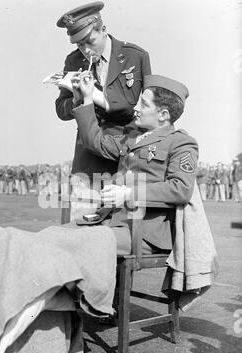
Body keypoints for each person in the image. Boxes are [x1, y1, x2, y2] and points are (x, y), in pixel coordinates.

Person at [70, 72, 199, 255]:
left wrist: (128, 193)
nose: (136, 109)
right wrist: (87, 99)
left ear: (163, 115)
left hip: (142, 233)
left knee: (74, 243)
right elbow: (94, 142)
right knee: (55, 234)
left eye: (144, 105)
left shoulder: (181, 143)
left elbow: (181, 188)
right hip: (110, 223)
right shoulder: (132, 138)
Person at [56, 1, 151, 218]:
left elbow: (149, 105)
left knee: (122, 229)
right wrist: (78, 100)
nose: (86, 50)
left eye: (90, 41)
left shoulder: (135, 56)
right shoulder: (73, 61)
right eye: (79, 45)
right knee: (81, 224)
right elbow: (61, 109)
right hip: (88, 155)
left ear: (103, 30)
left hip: (125, 153)